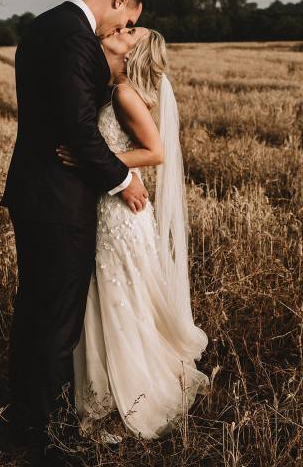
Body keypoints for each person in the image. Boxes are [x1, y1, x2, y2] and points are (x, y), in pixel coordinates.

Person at [0, 0, 148, 464]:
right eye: (128, 19)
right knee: (58, 322)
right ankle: (47, 438)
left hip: (32, 193)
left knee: (36, 312)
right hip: (60, 200)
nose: (123, 30)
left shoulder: (41, 27)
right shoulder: (75, 39)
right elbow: (80, 134)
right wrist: (125, 181)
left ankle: (23, 419)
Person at [57, 27, 209, 440]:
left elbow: (155, 151)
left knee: (119, 294)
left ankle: (133, 393)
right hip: (110, 207)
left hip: (122, 211)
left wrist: (96, 161)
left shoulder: (125, 94)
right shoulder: (112, 88)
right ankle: (101, 388)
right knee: (107, 293)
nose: (119, 31)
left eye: (130, 31)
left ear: (134, 50)